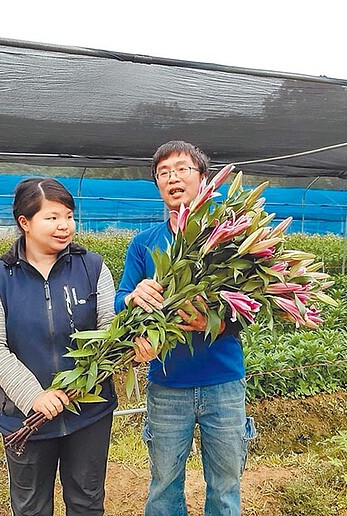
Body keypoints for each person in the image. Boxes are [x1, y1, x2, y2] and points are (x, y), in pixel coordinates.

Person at [115, 140, 257, 516]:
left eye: (182, 169)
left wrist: (215, 322)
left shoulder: (232, 239)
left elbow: (253, 308)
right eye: (163, 173)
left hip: (223, 383)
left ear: (204, 179)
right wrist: (134, 297)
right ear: (158, 185)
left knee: (225, 486)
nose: (172, 178)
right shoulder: (144, 244)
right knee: (163, 485)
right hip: (167, 384)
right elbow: (119, 300)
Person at [0, 177, 117, 516]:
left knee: (87, 501)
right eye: (52, 217)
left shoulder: (92, 267)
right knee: (31, 507)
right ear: (24, 222)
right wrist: (34, 396)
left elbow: (110, 330)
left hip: (89, 414)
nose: (64, 226)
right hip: (25, 416)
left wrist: (88, 379)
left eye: (68, 216)